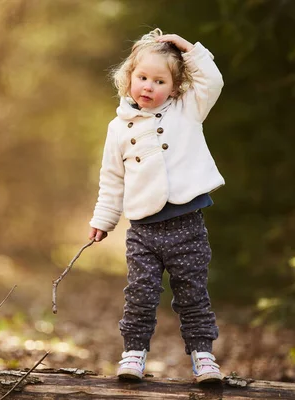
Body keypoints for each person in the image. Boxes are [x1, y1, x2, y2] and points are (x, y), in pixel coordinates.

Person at [88, 28, 225, 384]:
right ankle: (133, 354)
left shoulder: (188, 109)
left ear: (175, 88)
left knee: (193, 294)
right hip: (143, 232)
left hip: (187, 226)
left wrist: (187, 49)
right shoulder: (118, 128)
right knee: (140, 295)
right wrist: (104, 220)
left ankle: (203, 357)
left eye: (159, 80)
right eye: (142, 77)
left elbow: (213, 80)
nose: (148, 86)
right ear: (128, 78)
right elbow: (112, 179)